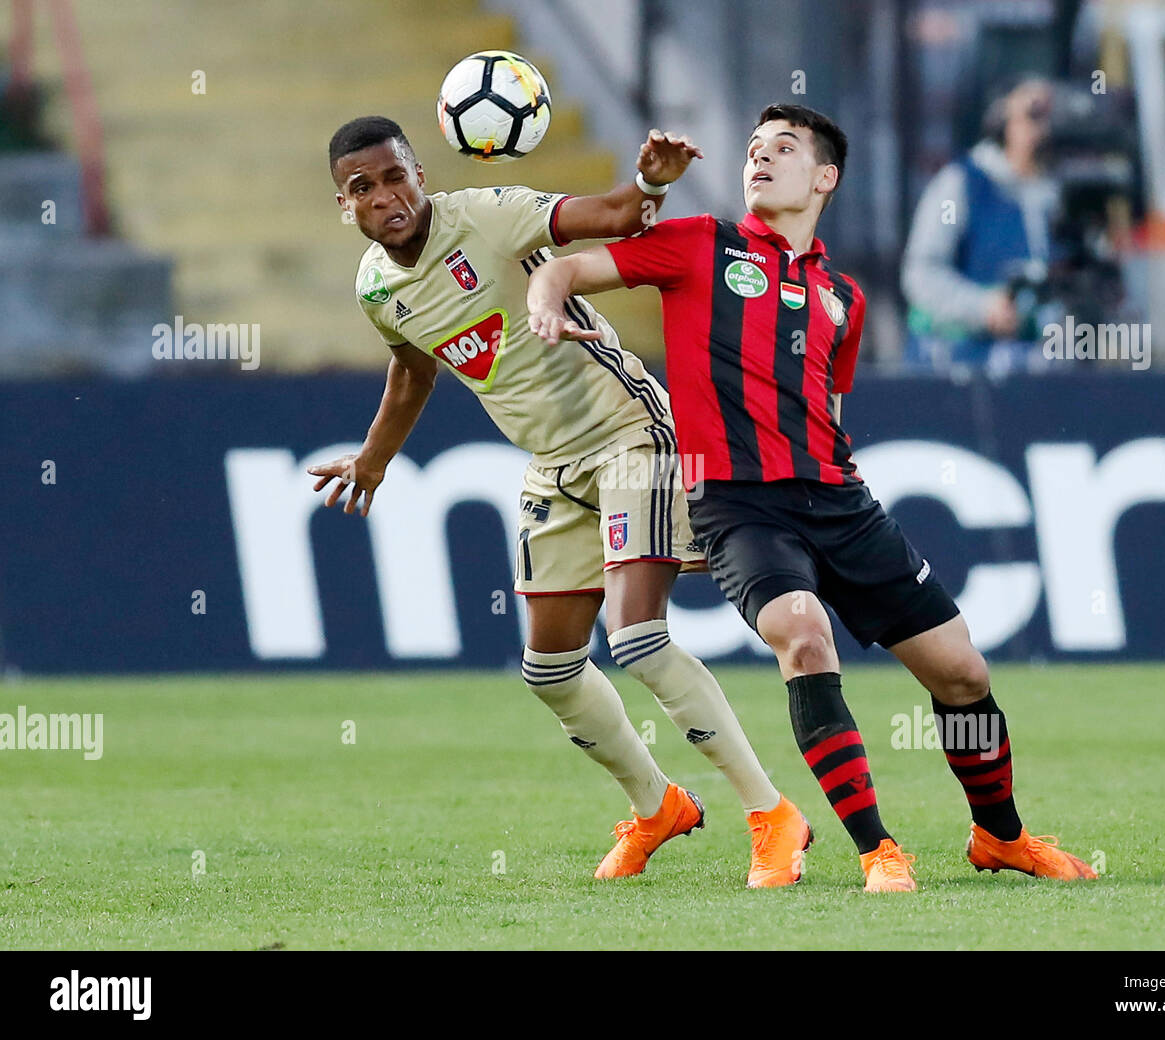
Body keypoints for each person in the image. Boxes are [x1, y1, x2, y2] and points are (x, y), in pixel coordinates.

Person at [527, 102, 1096, 892]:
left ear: (824, 176)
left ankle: (1001, 836)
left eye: (783, 149)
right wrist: (546, 299)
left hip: (840, 504)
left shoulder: (843, 299)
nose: (759, 158)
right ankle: (876, 850)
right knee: (802, 632)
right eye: (754, 148)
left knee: (962, 675)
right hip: (737, 505)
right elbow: (567, 267)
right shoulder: (700, 245)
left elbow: (828, 405)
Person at [309, 116, 811, 887]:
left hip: (627, 431)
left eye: (396, 175)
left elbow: (611, 218)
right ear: (345, 207)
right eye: (363, 189)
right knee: (548, 670)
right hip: (552, 465)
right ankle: (658, 807)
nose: (387, 197)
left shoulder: (488, 215)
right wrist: (374, 462)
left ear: (420, 173)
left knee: (637, 636)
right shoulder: (377, 286)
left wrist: (648, 181)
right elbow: (413, 370)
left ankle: (772, 814)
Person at [901, 78, 1062, 370]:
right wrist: (982, 306)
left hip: (1034, 372)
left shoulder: (1056, 196)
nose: (1044, 131)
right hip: (961, 366)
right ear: (1003, 122)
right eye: (1033, 116)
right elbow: (921, 273)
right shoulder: (960, 184)